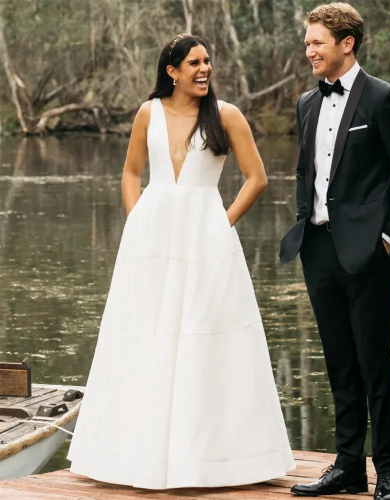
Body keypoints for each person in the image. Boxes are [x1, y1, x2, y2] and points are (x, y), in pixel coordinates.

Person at [68, 33, 295, 490]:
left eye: (208, 61)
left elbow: (257, 178)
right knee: (145, 338)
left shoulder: (227, 115)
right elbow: (131, 172)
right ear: (171, 71)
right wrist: (137, 222)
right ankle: (137, 454)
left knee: (206, 340)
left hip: (207, 240)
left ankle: (210, 459)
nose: (204, 69)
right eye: (194, 62)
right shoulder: (148, 113)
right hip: (149, 244)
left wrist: (222, 223)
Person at [280, 3, 390, 500]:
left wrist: (389, 236)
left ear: (346, 43)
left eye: (316, 42)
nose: (309, 51)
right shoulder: (305, 102)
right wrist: (305, 219)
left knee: (373, 358)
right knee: (339, 360)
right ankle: (346, 466)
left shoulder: (385, 99)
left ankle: (388, 469)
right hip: (318, 248)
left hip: (370, 251)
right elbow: (306, 172)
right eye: (306, 42)